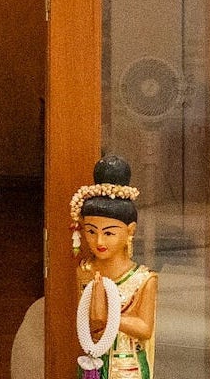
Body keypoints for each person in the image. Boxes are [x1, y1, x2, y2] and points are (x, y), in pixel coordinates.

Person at [72, 155, 157, 379]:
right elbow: (84, 321)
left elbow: (145, 328)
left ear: (130, 231)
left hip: (127, 366)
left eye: (109, 233)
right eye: (91, 231)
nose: (99, 241)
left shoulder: (143, 279)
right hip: (92, 363)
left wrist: (109, 317)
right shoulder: (85, 270)